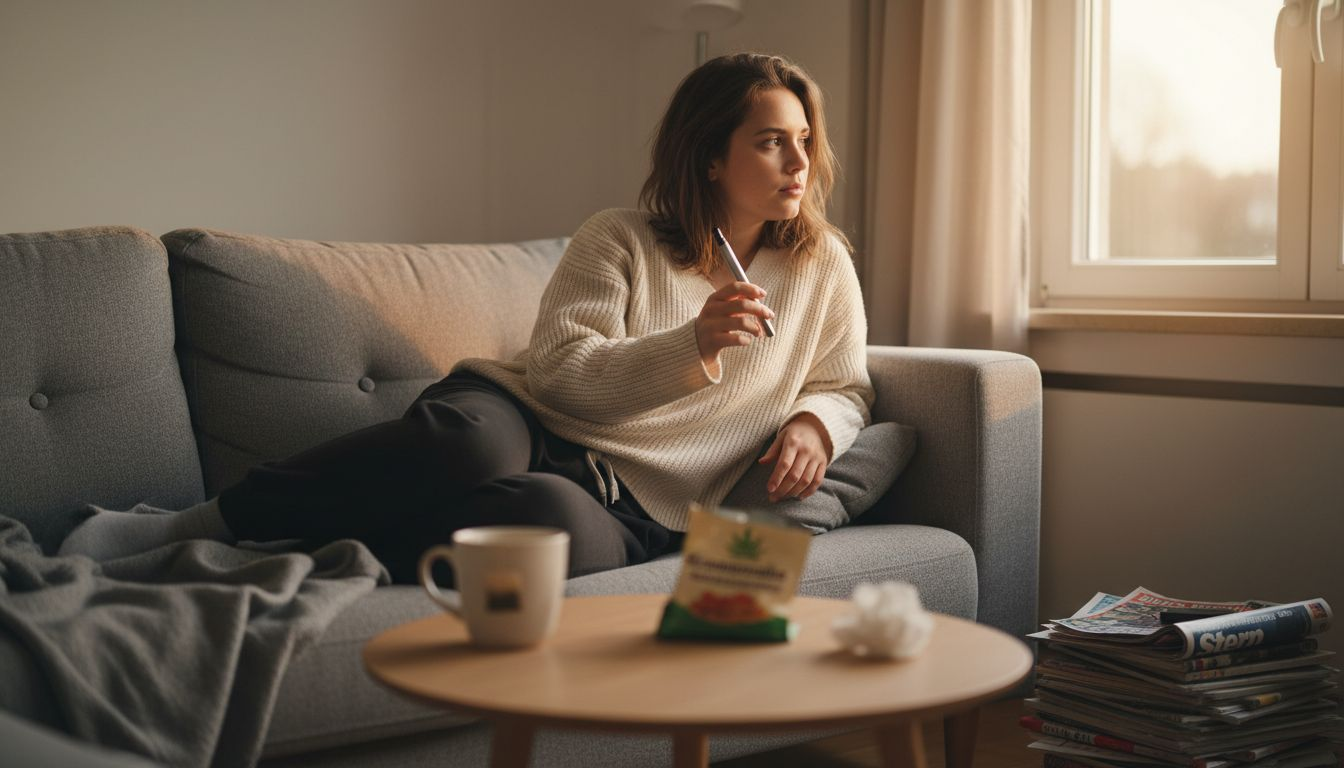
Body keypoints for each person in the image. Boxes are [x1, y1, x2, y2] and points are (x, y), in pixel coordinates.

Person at [58, 53, 874, 584]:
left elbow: (847, 382)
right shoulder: (619, 238)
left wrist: (815, 422)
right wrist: (689, 344)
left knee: (541, 525)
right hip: (534, 416)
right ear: (709, 155)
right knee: (468, 444)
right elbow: (561, 374)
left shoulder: (820, 263)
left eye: (804, 140)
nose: (800, 163)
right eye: (772, 142)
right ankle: (195, 525)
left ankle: (288, 554)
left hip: (640, 504)